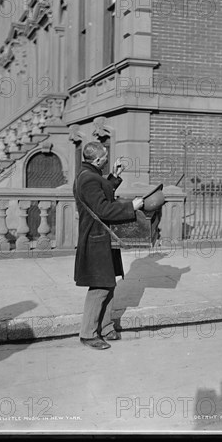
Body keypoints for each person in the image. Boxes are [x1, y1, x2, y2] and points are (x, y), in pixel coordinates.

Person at [73, 141, 144, 350]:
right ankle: (87, 333)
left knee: (108, 282)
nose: (107, 159)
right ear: (96, 159)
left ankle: (105, 326)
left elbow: (101, 192)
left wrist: (113, 176)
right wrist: (131, 206)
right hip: (96, 238)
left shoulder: (88, 174)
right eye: (105, 158)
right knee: (99, 286)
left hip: (103, 237)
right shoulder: (87, 179)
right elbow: (103, 209)